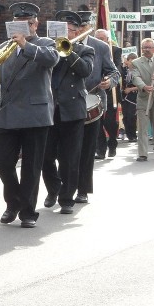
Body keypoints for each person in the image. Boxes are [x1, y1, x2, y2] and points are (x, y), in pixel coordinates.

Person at [0, 2, 58, 228]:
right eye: (20, 24)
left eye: (29, 23)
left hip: (35, 114)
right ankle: (14, 201)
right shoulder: (3, 46)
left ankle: (27, 212)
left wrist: (25, 45)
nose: (25, 27)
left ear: (35, 24)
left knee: (31, 167)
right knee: (2, 162)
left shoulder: (46, 44)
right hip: (8, 112)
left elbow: (51, 59)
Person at [40, 11, 95, 214]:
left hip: (72, 110)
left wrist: (68, 51)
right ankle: (54, 188)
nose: (66, 33)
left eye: (69, 30)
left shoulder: (86, 50)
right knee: (45, 156)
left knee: (69, 158)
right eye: (62, 30)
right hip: (48, 109)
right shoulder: (48, 49)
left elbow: (85, 71)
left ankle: (66, 198)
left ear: (76, 31)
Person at [75, 10, 118, 202]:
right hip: (67, 103)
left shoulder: (100, 46)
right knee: (65, 149)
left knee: (86, 149)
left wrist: (110, 81)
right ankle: (63, 185)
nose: (81, 30)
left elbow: (113, 72)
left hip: (93, 102)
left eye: (84, 27)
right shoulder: (63, 44)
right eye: (78, 27)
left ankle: (82, 190)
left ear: (89, 28)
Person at [129, 38, 154, 161]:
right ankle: (143, 153)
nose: (146, 50)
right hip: (144, 99)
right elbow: (135, 77)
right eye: (144, 48)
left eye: (149, 47)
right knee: (142, 128)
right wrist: (143, 86)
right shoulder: (136, 62)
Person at [95, 28, 122, 158]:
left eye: (102, 39)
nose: (100, 41)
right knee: (97, 121)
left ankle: (112, 143)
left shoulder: (115, 50)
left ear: (107, 39)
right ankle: (101, 150)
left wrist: (108, 79)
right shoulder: (90, 49)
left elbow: (117, 69)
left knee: (110, 122)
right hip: (96, 90)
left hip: (111, 92)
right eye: (98, 38)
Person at [121, 52, 139, 142]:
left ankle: (133, 135)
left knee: (131, 116)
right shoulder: (124, 70)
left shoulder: (138, 71)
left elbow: (142, 85)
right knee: (125, 117)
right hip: (124, 96)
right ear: (127, 61)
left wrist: (130, 89)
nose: (132, 63)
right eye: (130, 61)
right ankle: (128, 134)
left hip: (134, 96)